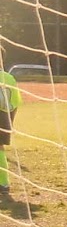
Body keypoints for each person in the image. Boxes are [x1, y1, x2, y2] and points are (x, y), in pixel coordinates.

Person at [0, 55, 19, 199]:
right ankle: (4, 184)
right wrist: (9, 122)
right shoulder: (9, 78)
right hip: (4, 117)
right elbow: (15, 103)